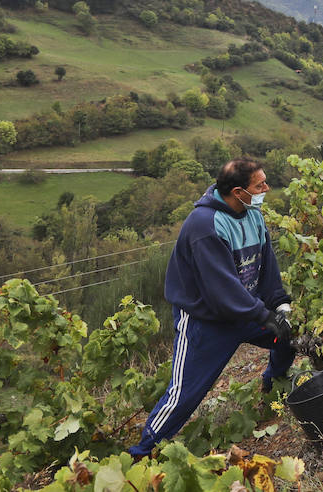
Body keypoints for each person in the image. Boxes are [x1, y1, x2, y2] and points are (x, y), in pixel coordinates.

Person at [129, 158, 293, 458]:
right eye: (260, 185)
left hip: (245, 309)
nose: (266, 189)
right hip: (207, 321)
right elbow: (221, 290)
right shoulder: (204, 226)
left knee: (289, 338)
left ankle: (272, 388)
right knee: (185, 394)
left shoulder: (253, 214)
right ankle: (141, 451)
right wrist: (264, 316)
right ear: (239, 191)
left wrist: (279, 304)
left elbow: (266, 263)